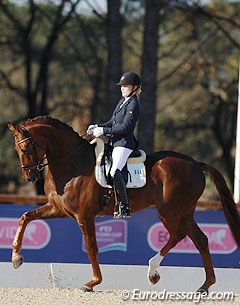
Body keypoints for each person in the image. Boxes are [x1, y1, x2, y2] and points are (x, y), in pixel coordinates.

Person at [87, 71, 141, 218]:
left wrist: (103, 130)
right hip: (114, 142)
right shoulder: (122, 101)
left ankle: (124, 206)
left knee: (114, 171)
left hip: (124, 143)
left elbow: (125, 128)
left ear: (135, 88)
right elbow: (112, 122)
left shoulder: (134, 104)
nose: (122, 88)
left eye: (126, 86)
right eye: (122, 86)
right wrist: (97, 126)